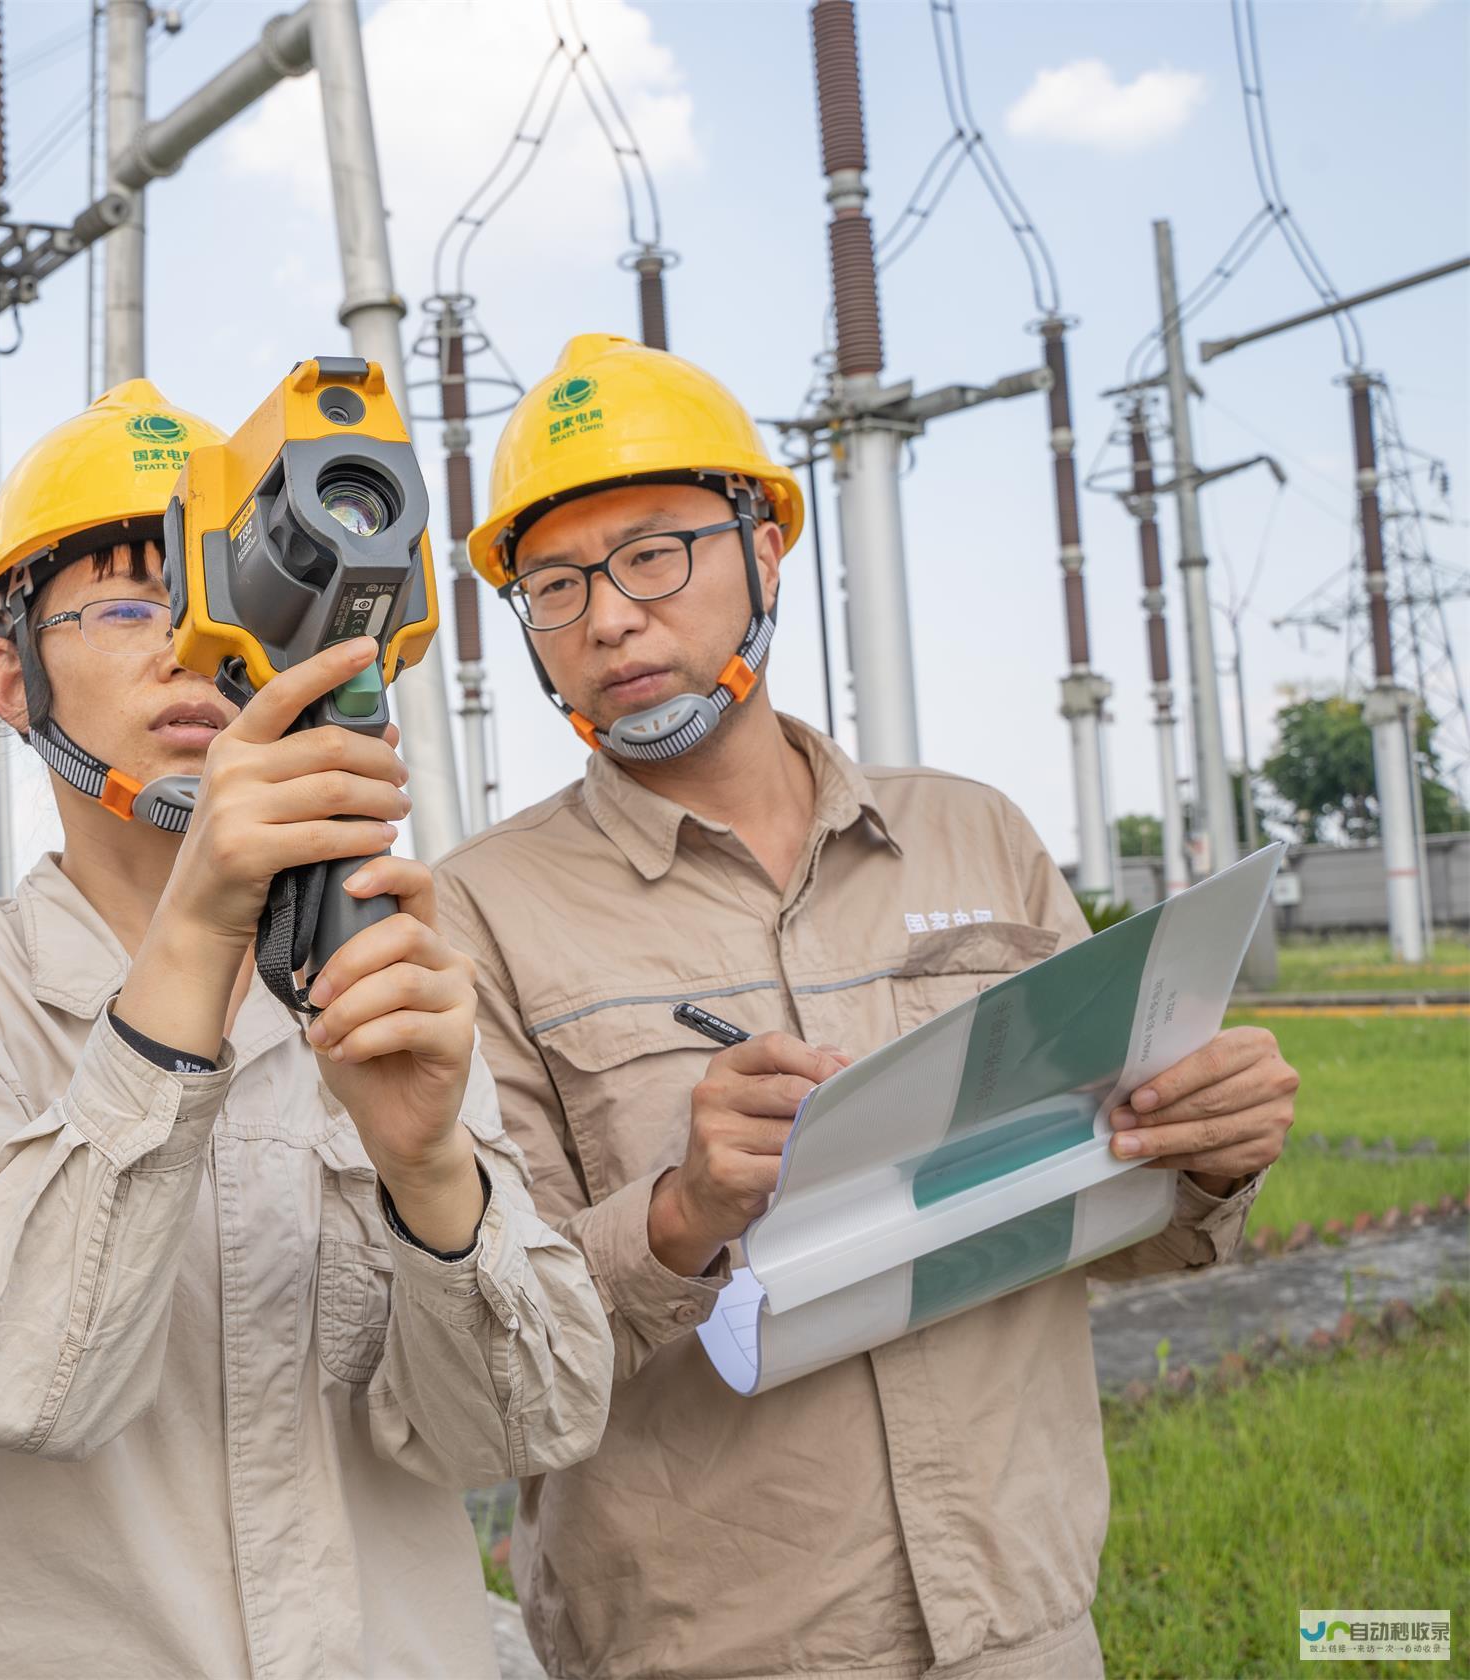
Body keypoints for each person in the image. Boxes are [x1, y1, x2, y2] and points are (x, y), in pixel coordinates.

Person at [431, 336, 1300, 1680]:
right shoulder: (479, 912)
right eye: (555, 585)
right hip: (707, 1644)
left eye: (655, 553)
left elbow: (1110, 1224)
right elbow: (488, 1364)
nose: (609, 617)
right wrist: (677, 1217)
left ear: (765, 553)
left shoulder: (977, 838)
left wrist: (1206, 1158)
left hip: (1023, 1612)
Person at [0, 379, 614, 1678]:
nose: (189, 644)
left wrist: (429, 1176)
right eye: (132, 601)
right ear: (10, 679)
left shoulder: (390, 982)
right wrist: (192, 949)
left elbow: (524, 1431)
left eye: (225, 591)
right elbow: (22, 1384)